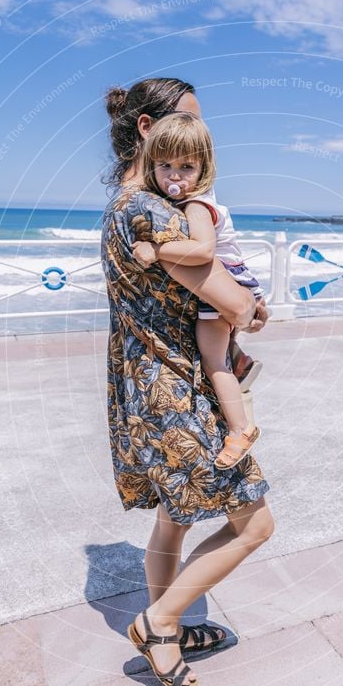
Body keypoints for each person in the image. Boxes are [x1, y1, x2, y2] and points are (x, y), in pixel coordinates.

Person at [100, 77, 274, 686]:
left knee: (175, 518)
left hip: (143, 386)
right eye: (191, 125)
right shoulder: (154, 213)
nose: (202, 139)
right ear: (150, 131)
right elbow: (233, 302)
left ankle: (165, 635)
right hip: (174, 389)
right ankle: (160, 619)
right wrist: (253, 307)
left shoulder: (123, 207)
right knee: (255, 525)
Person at [131, 111, 264, 470]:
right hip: (236, 279)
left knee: (213, 361)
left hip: (227, 282)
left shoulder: (196, 205)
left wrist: (155, 251)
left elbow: (203, 251)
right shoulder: (192, 201)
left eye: (186, 167)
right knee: (218, 355)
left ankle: (240, 429)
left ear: (203, 168)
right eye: (165, 165)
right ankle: (239, 362)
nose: (175, 175)